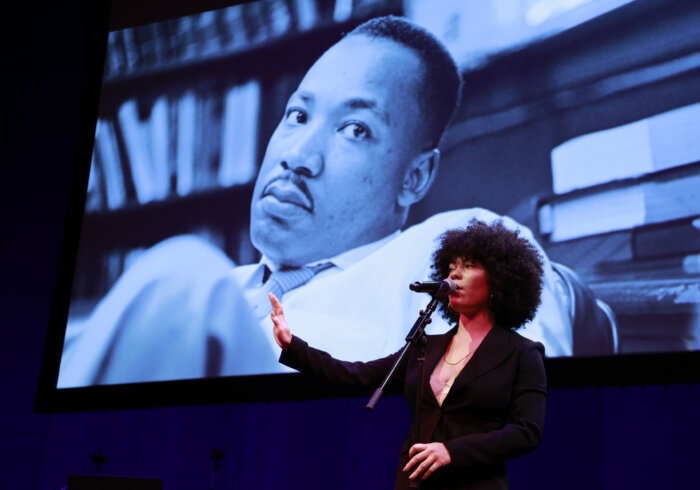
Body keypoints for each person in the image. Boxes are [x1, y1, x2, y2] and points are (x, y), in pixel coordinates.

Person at [58, 15, 582, 387]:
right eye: (298, 115)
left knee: (181, 274)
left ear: (414, 177)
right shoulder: (226, 294)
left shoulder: (456, 252)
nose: (298, 155)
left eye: (354, 129)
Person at [269, 219, 547, 490]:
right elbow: (358, 373)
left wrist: (452, 451)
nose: (454, 275)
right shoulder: (425, 346)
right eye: (451, 268)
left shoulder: (522, 353)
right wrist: (292, 345)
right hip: (415, 482)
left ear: (499, 280)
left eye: (468, 266)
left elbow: (527, 432)